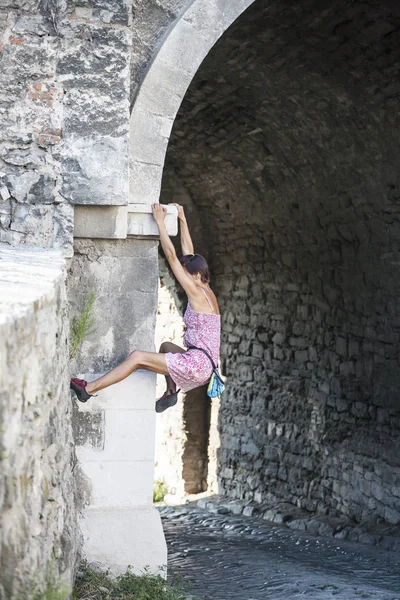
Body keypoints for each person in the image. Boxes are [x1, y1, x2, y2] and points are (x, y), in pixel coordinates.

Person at [70, 203, 221, 413]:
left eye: (185, 273)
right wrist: (182, 217)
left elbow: (171, 255)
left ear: (194, 275)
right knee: (167, 346)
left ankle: (89, 389)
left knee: (137, 358)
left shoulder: (194, 290)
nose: (181, 276)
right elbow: (189, 254)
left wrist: (160, 222)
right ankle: (170, 392)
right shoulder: (206, 290)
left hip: (197, 364)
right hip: (206, 364)